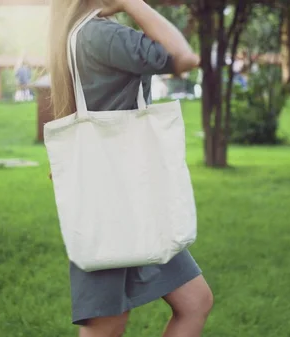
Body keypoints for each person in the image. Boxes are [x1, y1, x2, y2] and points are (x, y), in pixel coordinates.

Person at [48, 0, 213, 336]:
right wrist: (132, 3)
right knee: (107, 325)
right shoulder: (98, 35)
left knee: (194, 301)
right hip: (114, 203)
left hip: (128, 196)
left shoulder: (76, 33)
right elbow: (183, 56)